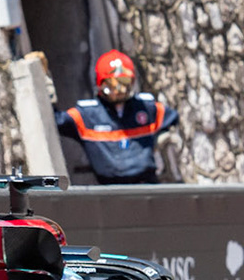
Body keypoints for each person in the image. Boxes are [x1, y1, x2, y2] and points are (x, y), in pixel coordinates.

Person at [56, 49, 179, 184]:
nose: (119, 91)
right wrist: (47, 92)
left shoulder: (145, 107)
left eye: (124, 83)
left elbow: (172, 118)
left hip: (146, 184)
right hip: (109, 188)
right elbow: (56, 121)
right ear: (100, 84)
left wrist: (161, 137)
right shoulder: (86, 115)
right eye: (113, 85)